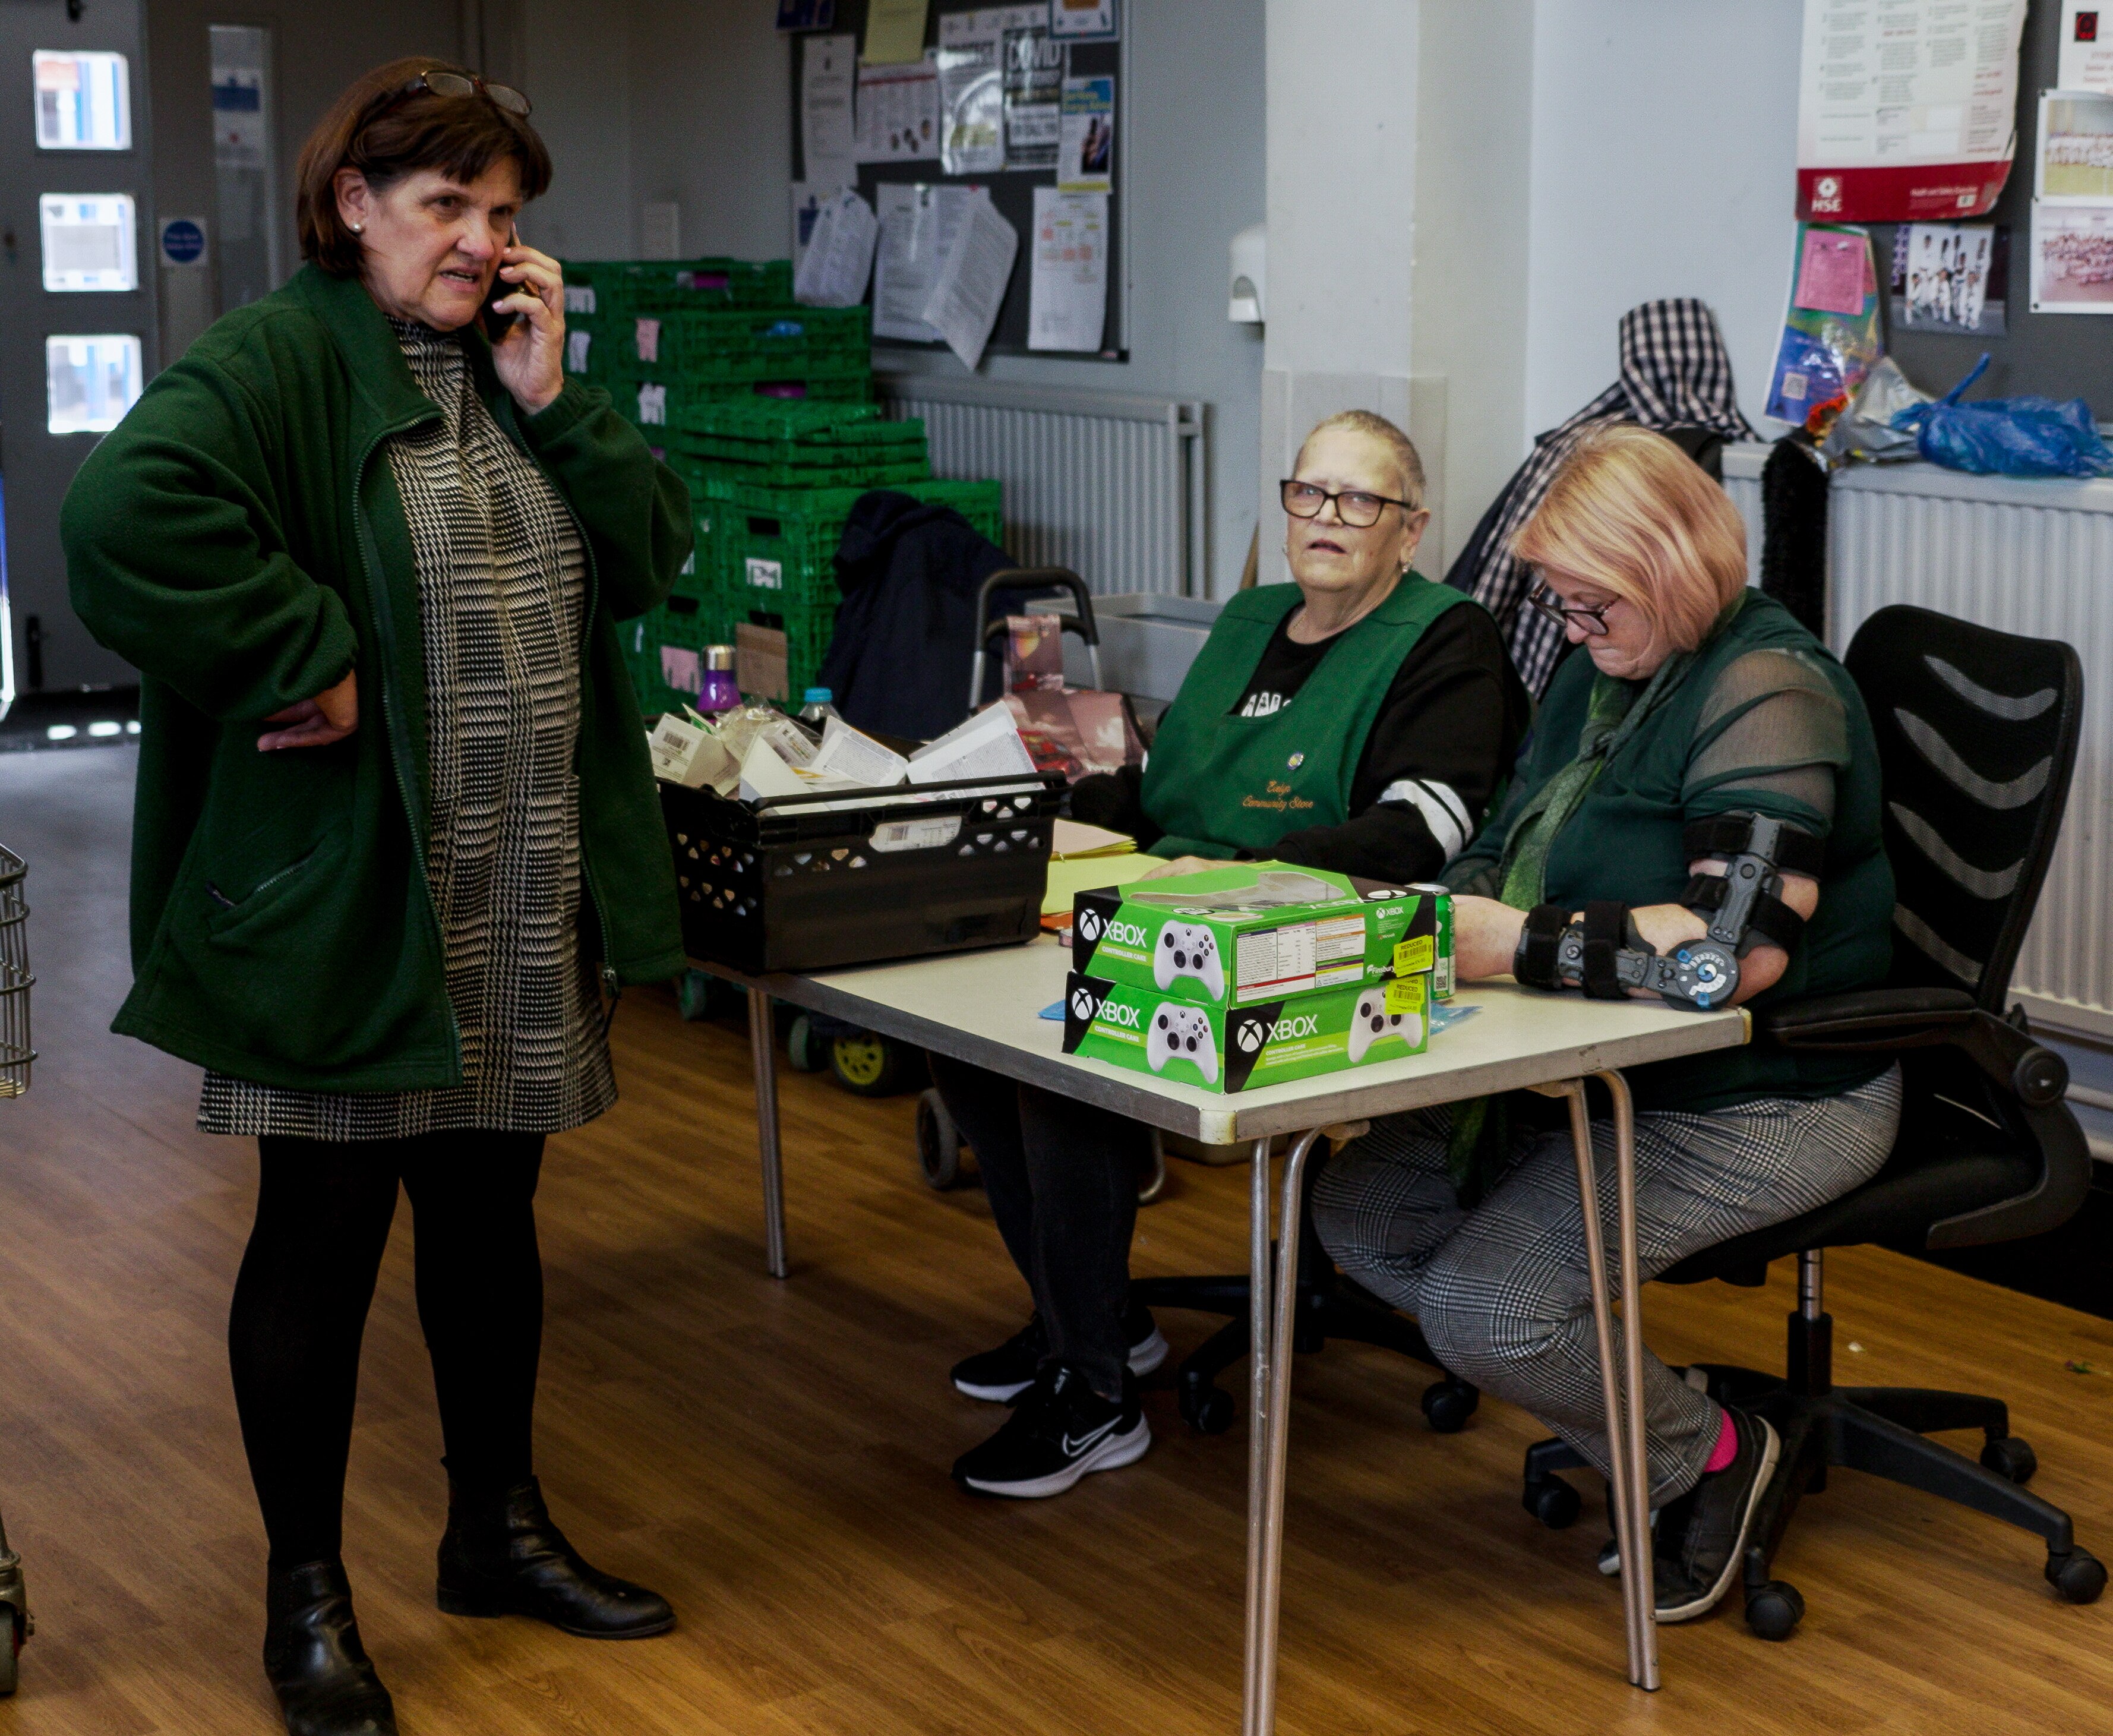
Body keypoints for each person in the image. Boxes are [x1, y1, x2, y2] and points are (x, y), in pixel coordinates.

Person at [63, 59, 691, 1736]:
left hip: (516, 877)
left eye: (503, 217)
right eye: (447, 209)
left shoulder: (509, 368)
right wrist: (304, 649)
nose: (483, 243)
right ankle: (307, 1600)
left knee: (491, 1229)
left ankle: (496, 1529)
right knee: (321, 1241)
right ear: (354, 207)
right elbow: (121, 517)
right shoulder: (278, 361)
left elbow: (645, 561)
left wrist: (565, 398)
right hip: (352, 894)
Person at [1310, 424, 1903, 1624]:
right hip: (1591, 1062)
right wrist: (1442, 909)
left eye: (1594, 607)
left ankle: (1714, 1451)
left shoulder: (1770, 691)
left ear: (1674, 567)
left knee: (1487, 1307)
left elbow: (1725, 965)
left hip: (1769, 1093)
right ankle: (1631, 1412)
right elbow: (1509, 839)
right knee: (1360, 1213)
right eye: (1564, 609)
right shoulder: (1608, 667)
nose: (1575, 636)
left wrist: (1508, 944)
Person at [934, 411, 1526, 1500]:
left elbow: (1421, 828)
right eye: (1309, 493)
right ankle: (1092, 1315)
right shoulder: (1252, 615)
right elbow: (1161, 791)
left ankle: (1094, 1393)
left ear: (1410, 529)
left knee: (1070, 1075)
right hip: (1157, 909)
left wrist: (1231, 881)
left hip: (1321, 943)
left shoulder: (1447, 637)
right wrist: (1064, 806)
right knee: (965, 1050)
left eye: (1362, 501)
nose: (1327, 519)